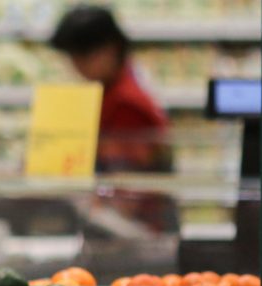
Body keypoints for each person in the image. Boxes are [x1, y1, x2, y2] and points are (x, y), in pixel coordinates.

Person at [49, 5, 171, 174]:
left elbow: (127, 174)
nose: (76, 65)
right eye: (72, 56)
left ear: (111, 49)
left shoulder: (126, 104)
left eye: (83, 55)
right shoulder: (109, 92)